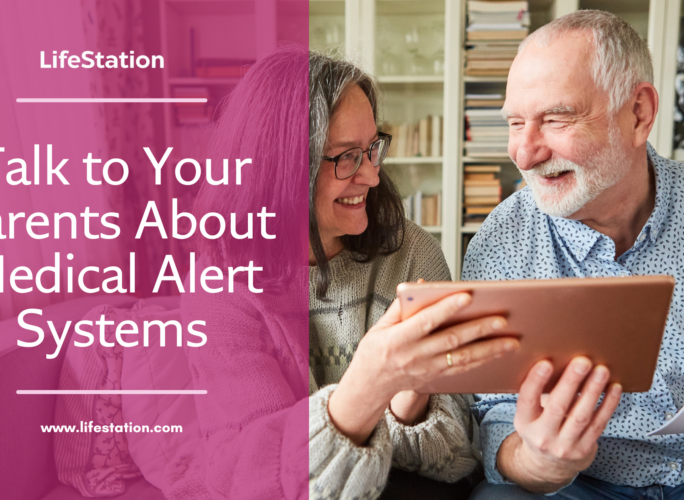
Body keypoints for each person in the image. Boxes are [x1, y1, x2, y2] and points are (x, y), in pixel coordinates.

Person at [164, 47, 518, 500]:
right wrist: (369, 384)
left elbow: (457, 458)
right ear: (281, 170)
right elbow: (258, 475)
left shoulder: (412, 253)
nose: (371, 176)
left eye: (372, 149)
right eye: (346, 157)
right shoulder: (219, 283)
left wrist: (409, 405)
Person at [464, 10, 684, 499]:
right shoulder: (501, 245)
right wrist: (536, 463)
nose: (523, 153)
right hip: (581, 486)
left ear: (639, 114)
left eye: (556, 120)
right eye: (516, 123)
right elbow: (493, 413)